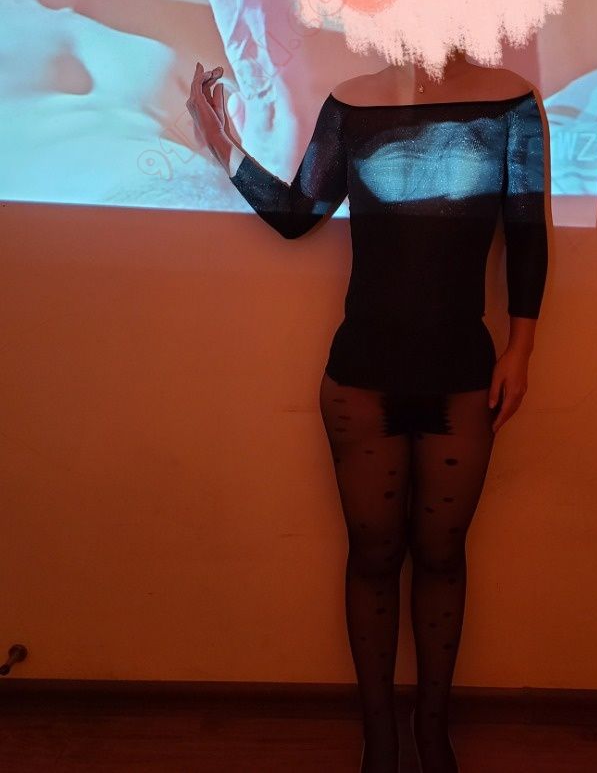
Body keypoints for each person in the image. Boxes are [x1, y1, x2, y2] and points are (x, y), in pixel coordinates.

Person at [186, 46, 549, 773]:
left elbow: (526, 233)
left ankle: (432, 733)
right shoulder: (350, 103)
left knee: (442, 557)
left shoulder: (512, 103)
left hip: (462, 377)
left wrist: (521, 350)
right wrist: (222, 142)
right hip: (361, 377)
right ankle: (379, 739)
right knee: (374, 557)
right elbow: (299, 216)